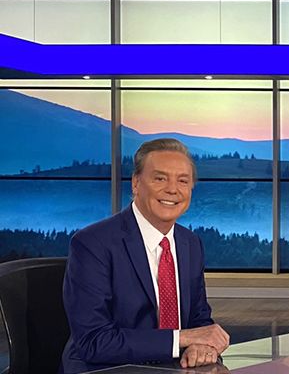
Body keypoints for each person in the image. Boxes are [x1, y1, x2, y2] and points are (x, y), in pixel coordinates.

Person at [61, 139, 230, 373]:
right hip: (106, 369)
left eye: (183, 180)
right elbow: (94, 341)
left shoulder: (190, 244)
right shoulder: (92, 244)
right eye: (160, 178)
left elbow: (199, 319)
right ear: (136, 183)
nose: (172, 189)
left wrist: (202, 347)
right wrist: (180, 339)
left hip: (174, 367)